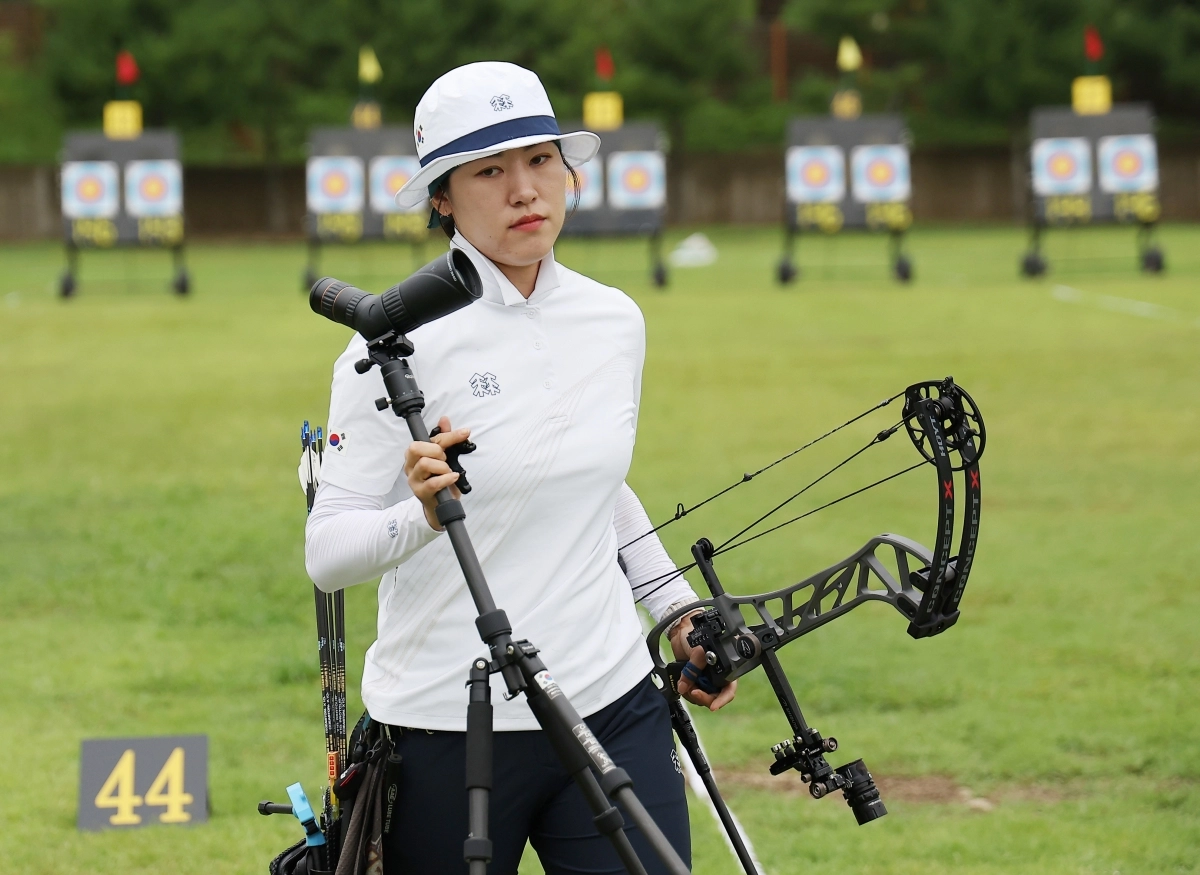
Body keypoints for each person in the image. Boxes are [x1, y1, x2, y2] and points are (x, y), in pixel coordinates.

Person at [305, 61, 734, 875]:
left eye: (540, 160)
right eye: (490, 172)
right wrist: (420, 514)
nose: (525, 190)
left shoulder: (613, 319)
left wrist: (677, 607)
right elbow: (327, 552)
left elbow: (593, 483)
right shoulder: (390, 343)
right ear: (442, 197)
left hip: (611, 702)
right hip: (445, 721)